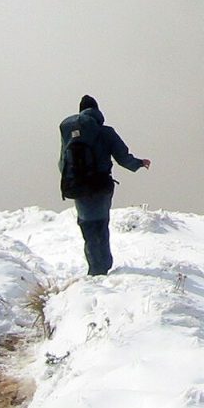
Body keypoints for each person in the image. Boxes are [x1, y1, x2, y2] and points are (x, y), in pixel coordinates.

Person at [61, 95, 150, 276]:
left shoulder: (69, 133)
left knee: (87, 225)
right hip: (101, 185)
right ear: (97, 111)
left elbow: (62, 162)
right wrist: (139, 163)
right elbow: (123, 158)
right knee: (101, 224)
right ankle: (104, 266)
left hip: (77, 187)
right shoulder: (105, 132)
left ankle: (95, 269)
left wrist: (73, 179)